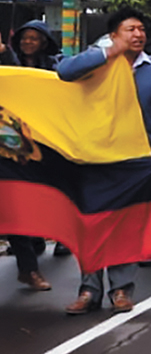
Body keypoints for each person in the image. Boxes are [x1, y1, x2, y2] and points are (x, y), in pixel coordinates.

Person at [58, 7, 151, 314]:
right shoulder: (95, 61)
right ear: (113, 35)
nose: (138, 34)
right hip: (93, 156)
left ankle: (121, 290)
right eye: (130, 29)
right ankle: (89, 289)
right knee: (91, 223)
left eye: (141, 29)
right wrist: (109, 53)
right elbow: (64, 71)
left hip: (136, 159)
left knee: (125, 223)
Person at [0, 19, 63, 291]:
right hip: (9, 144)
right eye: (24, 37)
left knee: (21, 201)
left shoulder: (52, 67)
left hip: (28, 146)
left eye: (34, 38)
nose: (28, 42)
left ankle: (31, 265)